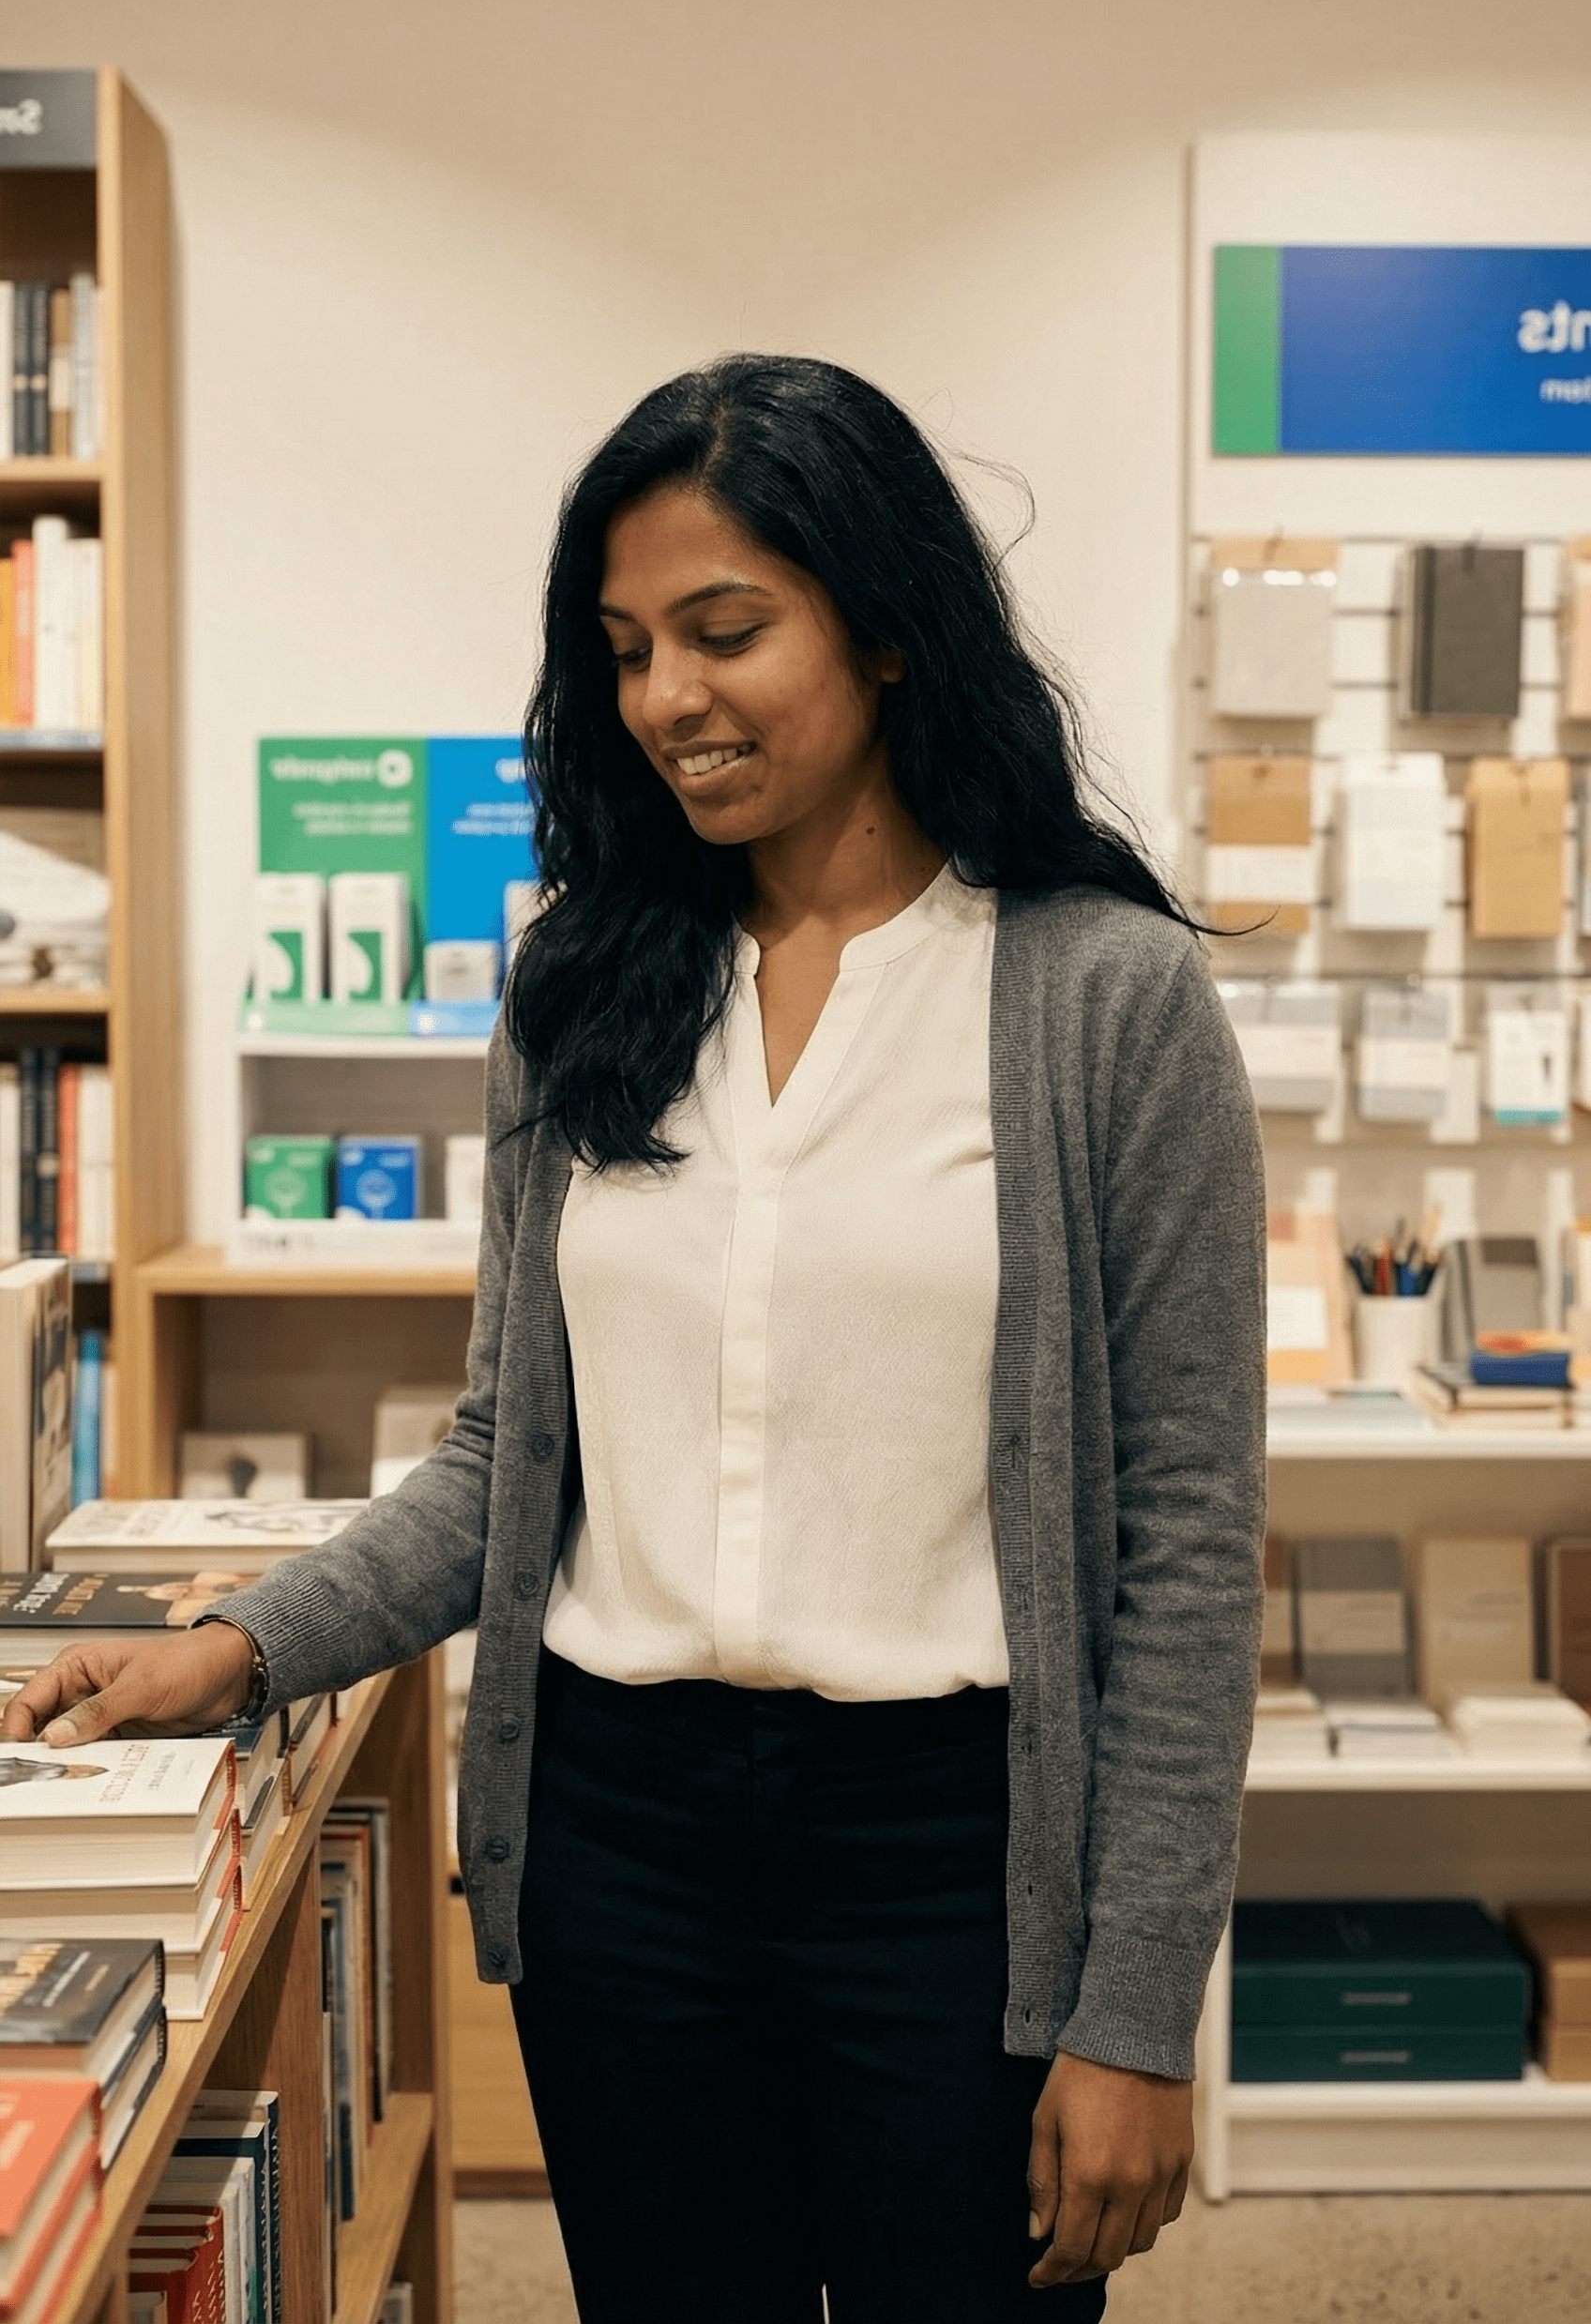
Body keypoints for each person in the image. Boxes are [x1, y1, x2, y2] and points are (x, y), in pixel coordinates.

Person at [0, 355, 1265, 2324]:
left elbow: (1183, 1543)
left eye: (722, 628)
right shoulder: (585, 983)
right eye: (623, 647)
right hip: (623, 1848)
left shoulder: (1102, 1001)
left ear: (889, 624)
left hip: (955, 1851)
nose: (665, 696)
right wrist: (236, 1648)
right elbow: (509, 1460)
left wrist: (1131, 2006)